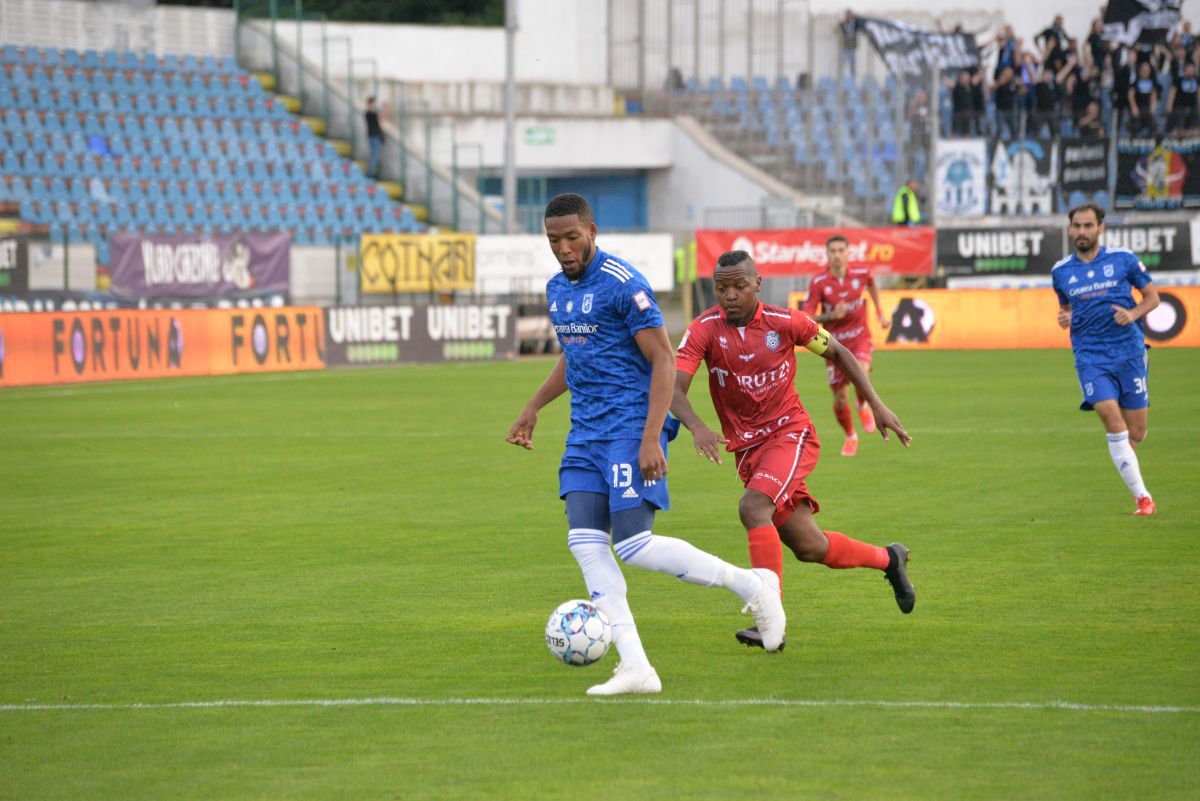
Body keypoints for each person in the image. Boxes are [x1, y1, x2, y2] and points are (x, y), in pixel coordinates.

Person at [507, 194, 787, 695]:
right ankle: (636, 667)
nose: (563, 248)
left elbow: (663, 359)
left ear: (592, 231)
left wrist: (652, 436)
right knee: (585, 543)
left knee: (633, 545)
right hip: (585, 433)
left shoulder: (624, 284)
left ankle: (752, 584)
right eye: (553, 240)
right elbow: (575, 355)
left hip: (630, 427)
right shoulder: (556, 289)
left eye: (572, 237)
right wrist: (533, 407)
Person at [671, 250, 915, 650]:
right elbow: (674, 389)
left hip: (790, 434)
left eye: (739, 286)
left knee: (753, 507)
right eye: (721, 288)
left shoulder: (786, 322)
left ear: (757, 284)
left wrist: (876, 404)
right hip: (750, 451)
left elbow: (839, 352)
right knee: (809, 546)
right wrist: (696, 425)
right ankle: (890, 558)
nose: (729, 295)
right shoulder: (704, 329)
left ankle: (771, 622)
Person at [1051, 203, 1160, 516]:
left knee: (1136, 432)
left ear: (1101, 228)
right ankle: (1143, 499)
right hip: (1090, 356)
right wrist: (1065, 317)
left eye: (1088, 226)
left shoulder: (1123, 259)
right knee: (1112, 421)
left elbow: (1153, 298)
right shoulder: (1061, 271)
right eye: (1077, 226)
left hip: (1128, 352)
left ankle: (1127, 446)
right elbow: (1067, 308)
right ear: (1070, 229)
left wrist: (1133, 314)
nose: (1082, 231)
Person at [802, 234, 891, 456]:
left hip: (859, 335)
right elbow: (807, 317)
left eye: (841, 250)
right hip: (833, 343)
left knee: (862, 371)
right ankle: (851, 435)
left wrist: (880, 312)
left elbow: (872, 284)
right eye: (833, 251)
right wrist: (830, 315)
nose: (837, 255)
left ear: (848, 253)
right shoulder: (818, 282)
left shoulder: (861, 272)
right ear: (827, 254)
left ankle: (862, 405)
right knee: (841, 400)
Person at [364, 96, 384, 178]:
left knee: (375, 155)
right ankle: (370, 172)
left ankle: (372, 171)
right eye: (373, 103)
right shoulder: (369, 113)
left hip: (374, 136)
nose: (374, 105)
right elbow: (380, 119)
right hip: (374, 137)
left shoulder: (372, 113)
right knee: (374, 155)